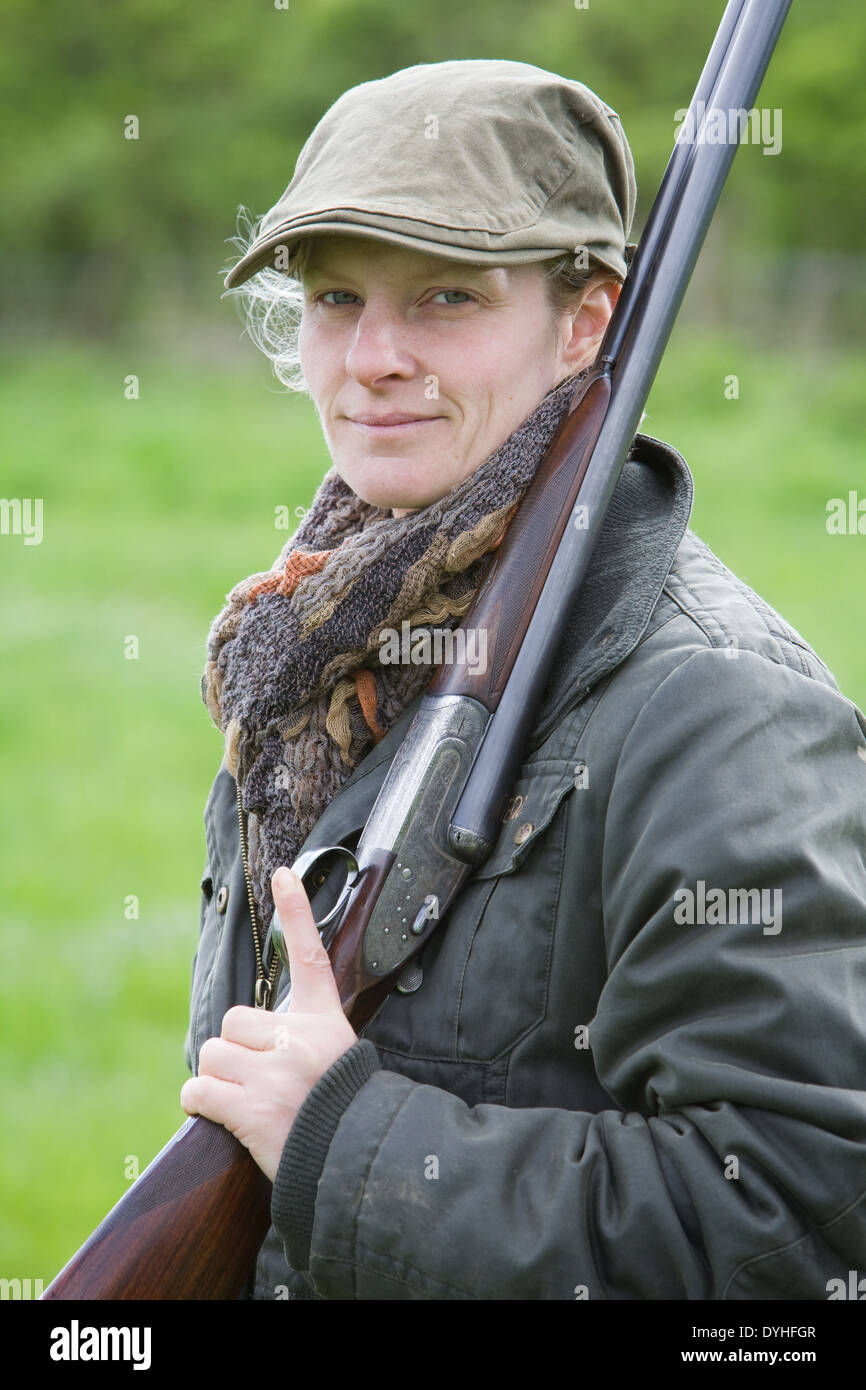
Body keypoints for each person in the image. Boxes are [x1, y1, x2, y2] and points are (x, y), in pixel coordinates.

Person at [179, 59, 866, 1300]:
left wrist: (347, 1142)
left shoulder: (716, 708)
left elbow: (794, 1228)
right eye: (338, 297)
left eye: (444, 295)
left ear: (586, 320)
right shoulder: (310, 649)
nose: (374, 356)